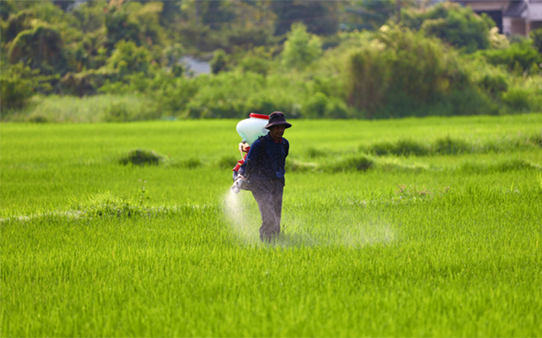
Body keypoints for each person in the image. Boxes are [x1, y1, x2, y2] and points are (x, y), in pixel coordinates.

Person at [238, 111, 292, 242]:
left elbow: (282, 162)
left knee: (277, 215)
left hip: (277, 183)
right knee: (269, 215)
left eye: (282, 127)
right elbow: (248, 162)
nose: (280, 130)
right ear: (270, 128)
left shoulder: (284, 144)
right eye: (277, 127)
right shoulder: (260, 143)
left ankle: (276, 241)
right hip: (260, 183)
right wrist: (241, 175)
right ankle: (266, 244)